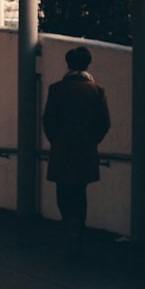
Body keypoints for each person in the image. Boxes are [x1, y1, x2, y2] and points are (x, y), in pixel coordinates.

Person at [41, 45, 111, 255]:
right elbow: (105, 123)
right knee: (80, 190)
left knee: (63, 188)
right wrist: (92, 141)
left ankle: (68, 220)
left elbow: (48, 121)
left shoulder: (56, 89)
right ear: (87, 64)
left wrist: (56, 140)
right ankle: (78, 225)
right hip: (85, 149)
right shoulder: (97, 91)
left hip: (62, 148)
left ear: (68, 64)